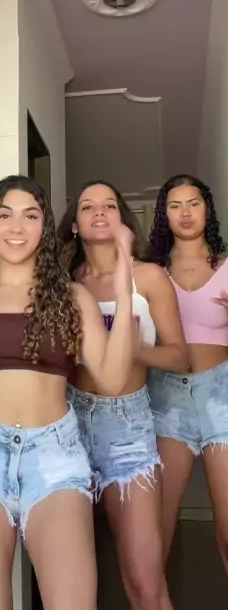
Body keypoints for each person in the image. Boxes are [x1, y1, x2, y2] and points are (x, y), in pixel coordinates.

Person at [0, 174, 135, 610]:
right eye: (5, 215)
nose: (17, 227)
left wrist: (124, 286)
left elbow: (112, 380)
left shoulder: (73, 298)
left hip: (55, 457)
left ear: (45, 226)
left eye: (30, 216)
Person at [58, 180, 187, 610]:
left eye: (109, 205)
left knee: (144, 580)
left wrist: (135, 351)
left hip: (128, 428)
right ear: (74, 224)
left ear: (122, 218)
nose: (99, 212)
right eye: (88, 206)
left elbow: (179, 356)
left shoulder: (148, 276)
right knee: (68, 582)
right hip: (66, 426)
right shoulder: (64, 283)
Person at [148, 174, 228, 571]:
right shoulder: (151, 272)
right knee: (156, 534)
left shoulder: (227, 267)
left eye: (193, 203)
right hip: (166, 399)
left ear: (207, 209)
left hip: (221, 396)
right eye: (175, 205)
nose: (185, 213)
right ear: (164, 214)